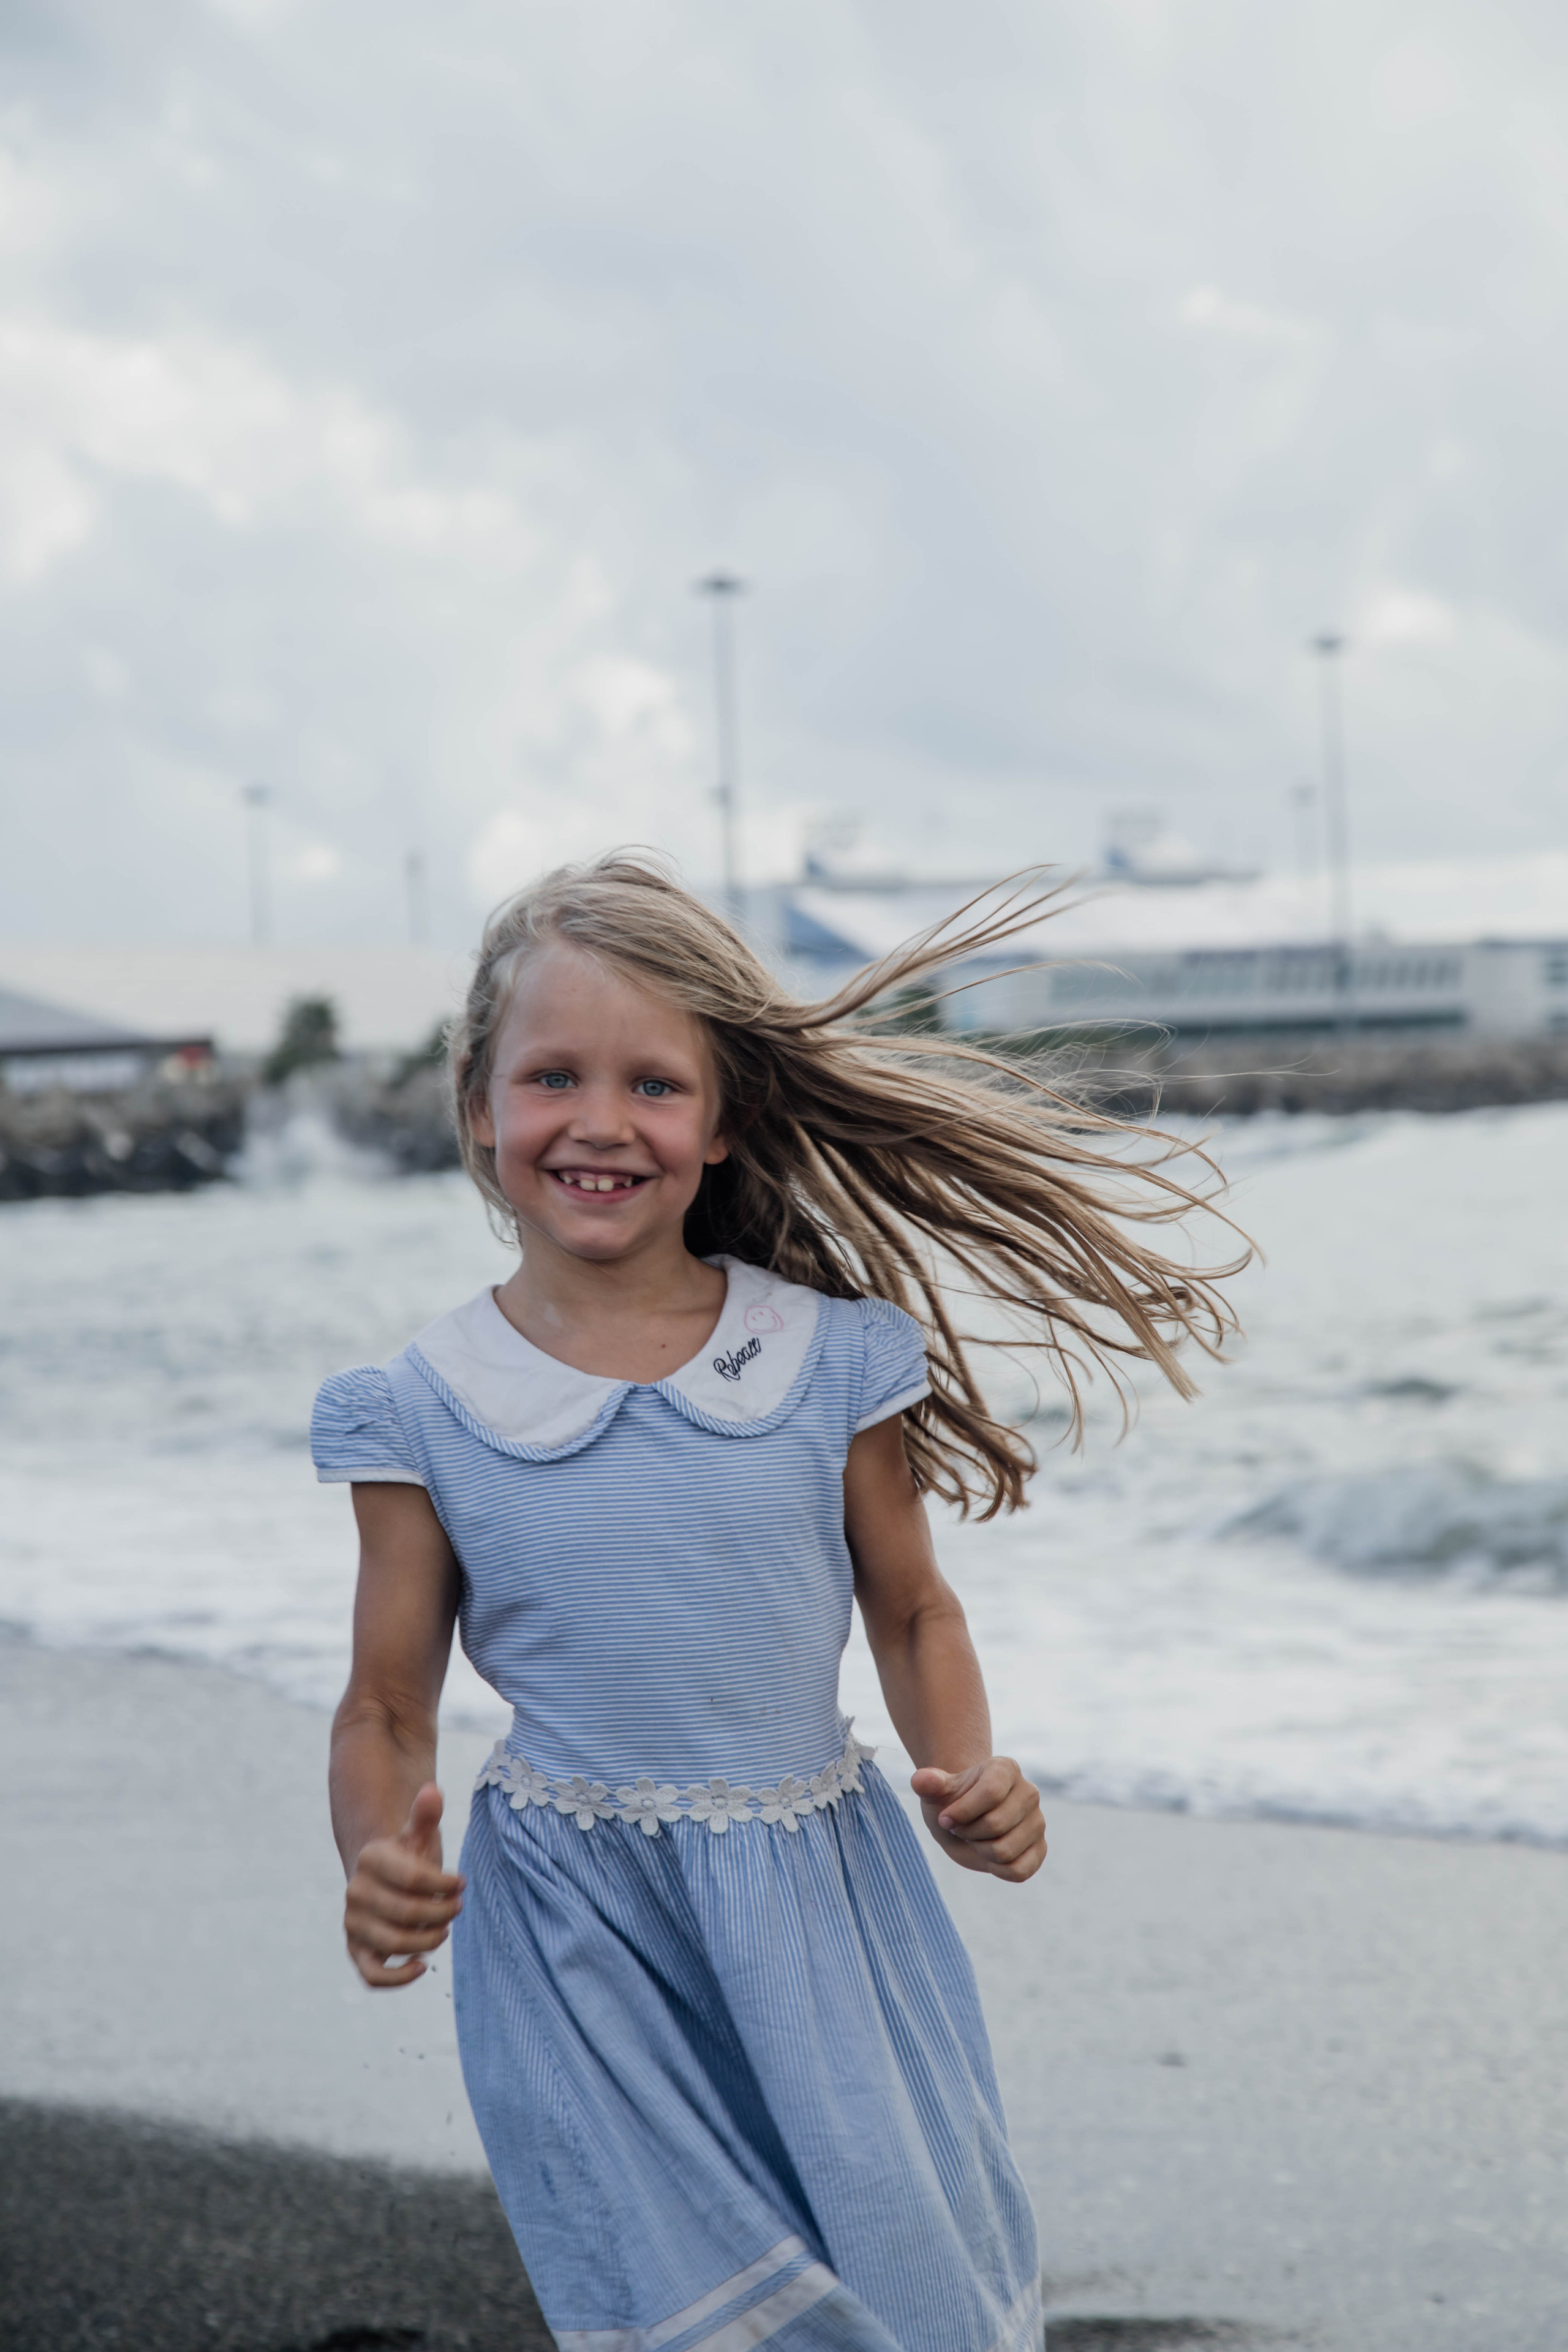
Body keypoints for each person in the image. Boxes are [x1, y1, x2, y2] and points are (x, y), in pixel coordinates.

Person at [312, 854, 1239, 2352]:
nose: (601, 1121)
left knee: (904, 2267)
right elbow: (384, 1704)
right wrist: (376, 1853)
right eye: (551, 1077)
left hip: (815, 1900)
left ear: (724, 1117)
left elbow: (914, 1611)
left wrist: (967, 1771)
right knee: (672, 2288)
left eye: (653, 1085)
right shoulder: (422, 1407)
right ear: (479, 1105)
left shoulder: (823, 1359)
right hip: (573, 1931)